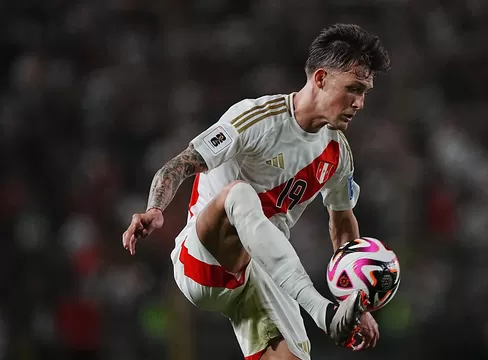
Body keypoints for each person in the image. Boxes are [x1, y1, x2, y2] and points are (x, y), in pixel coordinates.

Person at [122, 23, 390, 360]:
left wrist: (356, 299)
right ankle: (321, 312)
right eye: (353, 88)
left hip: (264, 275)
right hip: (205, 260)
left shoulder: (338, 153)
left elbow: (343, 223)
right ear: (320, 78)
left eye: (365, 92)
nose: (360, 103)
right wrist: (155, 208)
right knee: (239, 194)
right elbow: (182, 163)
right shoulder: (257, 117)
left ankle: (324, 312)